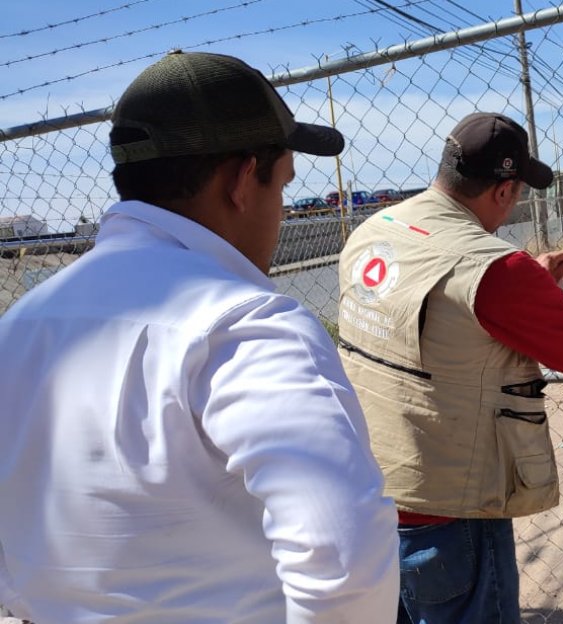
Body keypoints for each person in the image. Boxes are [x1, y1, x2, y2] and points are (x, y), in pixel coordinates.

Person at [0, 51, 399, 623]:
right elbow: (343, 557)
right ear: (241, 180)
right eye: (282, 184)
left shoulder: (19, 326)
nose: (280, 209)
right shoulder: (247, 324)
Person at [336, 112, 563, 623]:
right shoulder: (494, 267)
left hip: (368, 502)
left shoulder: (375, 229)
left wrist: (529, 280)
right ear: (505, 190)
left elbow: (447, 316)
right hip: (451, 517)